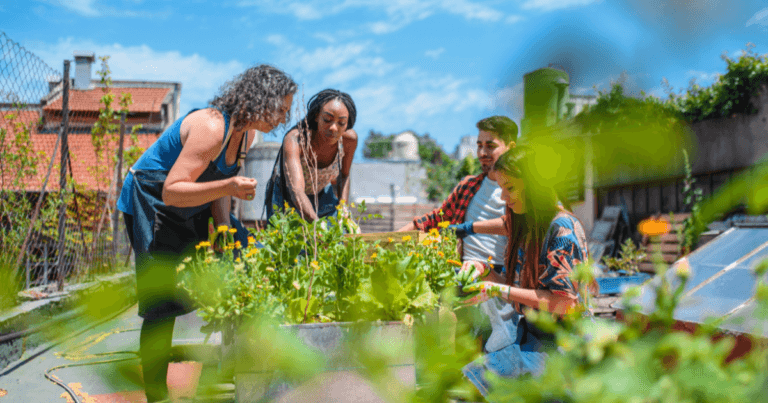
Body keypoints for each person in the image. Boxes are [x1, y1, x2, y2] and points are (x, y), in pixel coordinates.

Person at [116, 65, 297, 402]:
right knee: (163, 301)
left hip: (190, 200)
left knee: (239, 259)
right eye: (281, 108)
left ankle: (227, 374)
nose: (284, 118)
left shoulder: (247, 135)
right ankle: (157, 394)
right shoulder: (212, 127)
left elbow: (216, 187)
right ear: (261, 98)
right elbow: (172, 190)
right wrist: (228, 186)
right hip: (153, 198)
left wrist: (226, 228)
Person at [456, 148, 591, 397]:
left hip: (562, 345)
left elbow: (565, 303)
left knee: (471, 391)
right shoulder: (527, 225)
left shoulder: (562, 228)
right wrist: (484, 270)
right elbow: (519, 293)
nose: (503, 197)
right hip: (531, 337)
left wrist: (498, 288)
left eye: (511, 188)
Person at [266, 89, 358, 223]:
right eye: (327, 119)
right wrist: (317, 226)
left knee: (338, 236)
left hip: (321, 194)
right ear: (316, 116)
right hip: (287, 196)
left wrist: (344, 209)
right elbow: (296, 191)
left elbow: (344, 176)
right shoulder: (297, 139)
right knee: (287, 240)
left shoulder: (349, 140)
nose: (333, 128)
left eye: (341, 123)